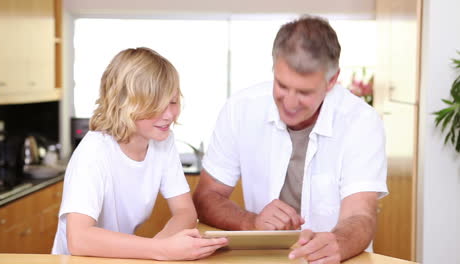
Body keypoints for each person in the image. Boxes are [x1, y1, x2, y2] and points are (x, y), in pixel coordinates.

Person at [193, 16, 388, 263]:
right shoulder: (240, 109)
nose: (290, 103)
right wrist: (250, 221)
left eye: (304, 92)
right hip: (261, 258)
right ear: (274, 67)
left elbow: (361, 215)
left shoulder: (362, 122)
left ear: (332, 81)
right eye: (282, 86)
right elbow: (205, 197)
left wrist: (338, 243)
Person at [52, 47, 227, 260]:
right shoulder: (94, 151)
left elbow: (186, 212)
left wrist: (162, 247)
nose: (170, 115)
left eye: (173, 101)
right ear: (125, 104)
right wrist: (161, 250)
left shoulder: (162, 141)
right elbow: (79, 239)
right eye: (157, 105)